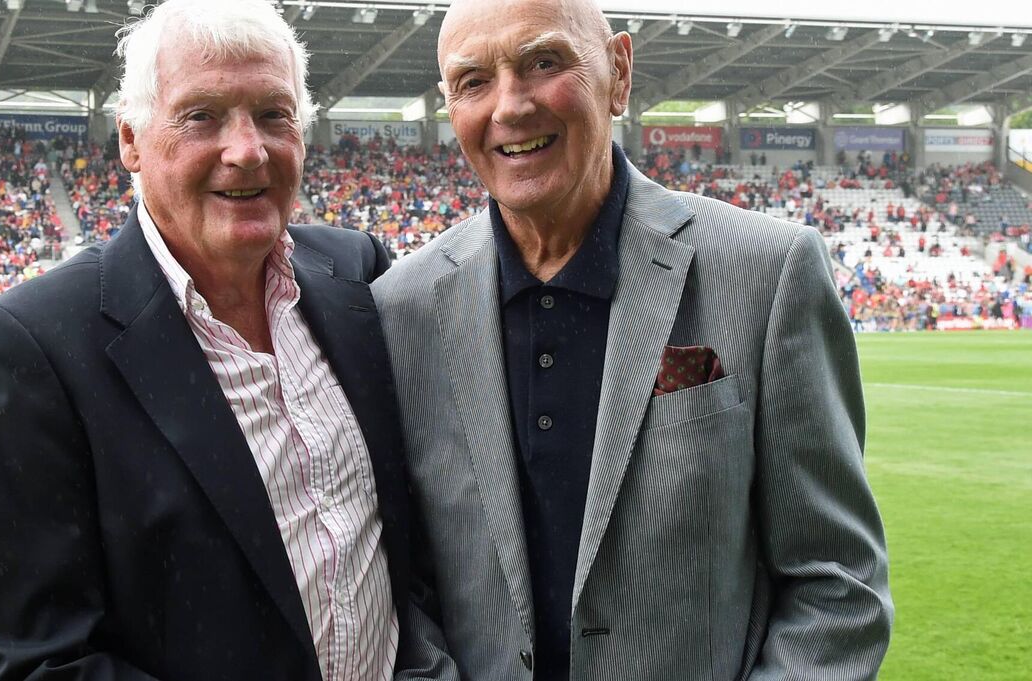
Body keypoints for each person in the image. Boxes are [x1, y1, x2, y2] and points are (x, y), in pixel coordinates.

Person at [374, 0, 892, 679]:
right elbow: (398, 588)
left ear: (618, 73)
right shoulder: (400, 308)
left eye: (544, 62)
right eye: (473, 82)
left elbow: (838, 581)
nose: (511, 105)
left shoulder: (768, 273)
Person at [0, 1, 407, 679]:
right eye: (203, 116)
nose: (247, 150)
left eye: (274, 115)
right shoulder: (31, 347)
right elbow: (27, 663)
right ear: (131, 139)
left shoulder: (357, 274)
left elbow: (413, 547)